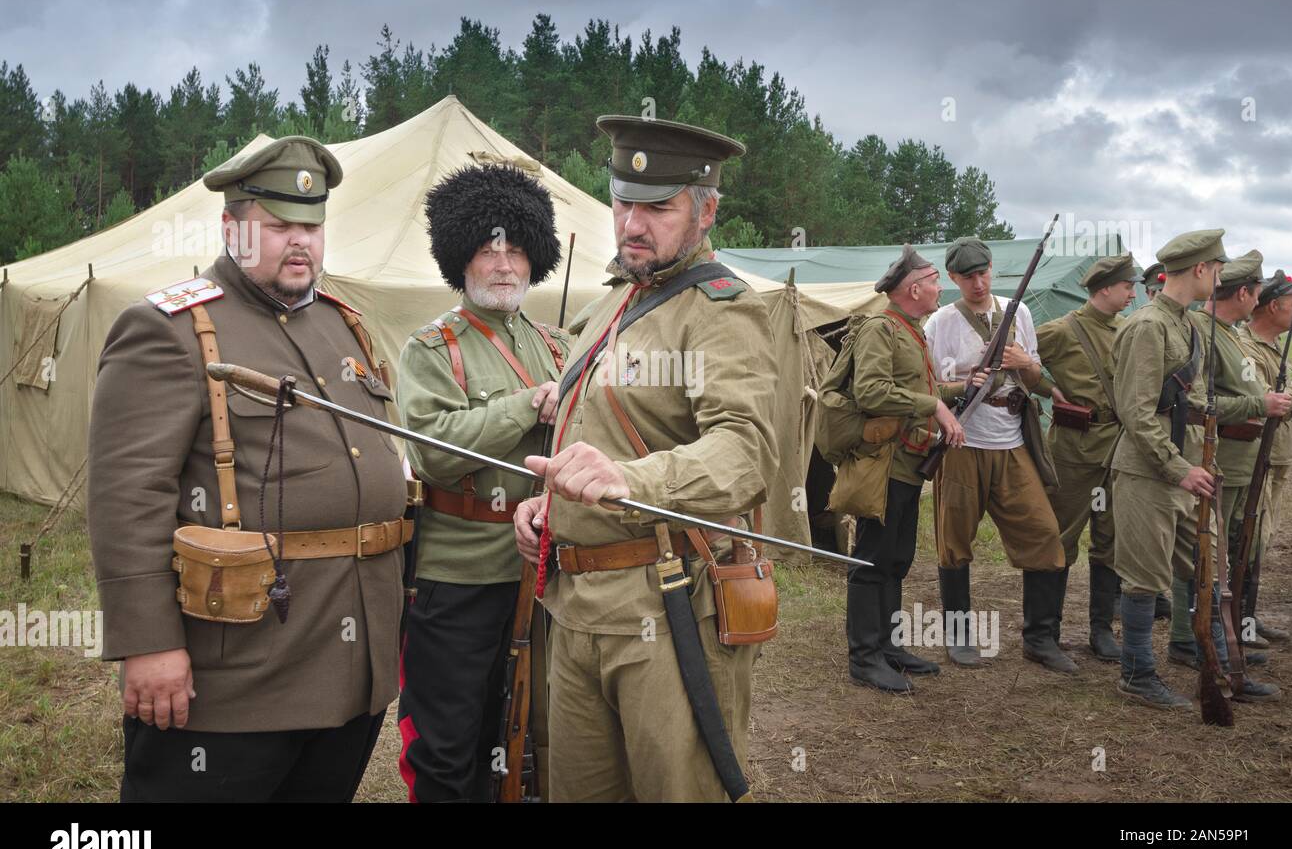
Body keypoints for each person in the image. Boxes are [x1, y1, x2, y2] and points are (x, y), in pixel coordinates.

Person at [88, 136, 411, 800]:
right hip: (236, 679)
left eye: (312, 227)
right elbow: (127, 497)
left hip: (350, 668)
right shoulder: (172, 328)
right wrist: (148, 644)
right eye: (279, 226)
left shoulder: (341, 324)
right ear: (232, 228)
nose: (300, 242)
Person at [513, 115, 779, 801]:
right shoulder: (611, 304)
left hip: (665, 607)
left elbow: (745, 450)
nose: (632, 224)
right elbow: (595, 431)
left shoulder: (719, 310)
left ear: (705, 211)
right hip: (575, 607)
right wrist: (550, 505)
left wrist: (628, 479)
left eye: (658, 207)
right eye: (622, 202)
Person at [395, 164, 568, 802]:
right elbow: (434, 453)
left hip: (543, 571)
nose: (502, 264)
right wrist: (527, 405)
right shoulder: (432, 348)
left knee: (526, 737)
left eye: (516, 250)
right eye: (487, 250)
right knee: (447, 745)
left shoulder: (558, 345)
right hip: (459, 577)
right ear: (460, 259)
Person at [1109, 229, 1277, 709]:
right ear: (1201, 269)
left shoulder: (1187, 325)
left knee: (1208, 571)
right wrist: (1178, 467)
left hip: (1189, 469)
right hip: (1150, 471)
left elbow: (1198, 402)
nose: (1221, 280)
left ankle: (1220, 666)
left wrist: (1212, 451)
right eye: (1218, 270)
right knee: (1144, 577)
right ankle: (1137, 674)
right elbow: (1136, 412)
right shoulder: (1148, 326)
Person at [924, 237, 1070, 672]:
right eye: (968, 276)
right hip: (963, 441)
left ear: (992, 269)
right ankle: (959, 638)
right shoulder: (940, 323)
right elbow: (927, 388)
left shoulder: (1017, 312)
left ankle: (1040, 639)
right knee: (954, 543)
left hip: (1012, 439)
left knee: (1044, 533)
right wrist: (964, 382)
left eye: (983, 272)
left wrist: (1024, 362)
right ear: (953, 277)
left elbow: (1036, 376)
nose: (978, 282)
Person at [836, 245, 970, 692]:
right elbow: (872, 392)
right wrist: (934, 405)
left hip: (908, 464)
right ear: (914, 289)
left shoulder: (911, 332)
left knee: (896, 560)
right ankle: (864, 657)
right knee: (871, 561)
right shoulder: (882, 329)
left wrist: (962, 387)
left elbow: (920, 390)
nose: (940, 288)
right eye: (934, 281)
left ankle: (888, 648)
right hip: (885, 464)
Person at [1160, 252, 1283, 701]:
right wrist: (1259, 404)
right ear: (1244, 293)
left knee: (1222, 557)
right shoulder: (1203, 331)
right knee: (1204, 555)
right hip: (1217, 456)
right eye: (1256, 292)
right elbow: (1197, 403)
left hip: (1239, 458)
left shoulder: (1228, 334)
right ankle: (1189, 639)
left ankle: (1215, 640)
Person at [1032, 253, 1138, 662]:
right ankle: (1043, 635)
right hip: (1075, 451)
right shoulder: (1062, 330)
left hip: (1118, 450)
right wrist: (1048, 389)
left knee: (1110, 539)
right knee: (1059, 537)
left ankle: (1101, 631)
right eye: (1127, 286)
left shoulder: (1128, 330)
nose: (1133, 294)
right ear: (1105, 289)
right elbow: (1017, 357)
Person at [1238, 269, 1292, 645]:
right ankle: (1239, 623)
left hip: (1277, 457)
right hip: (1255, 457)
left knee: (1262, 538)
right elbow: (1265, 400)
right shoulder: (1245, 347)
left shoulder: (1274, 348)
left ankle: (1248, 617)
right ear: (1274, 306)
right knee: (1249, 539)